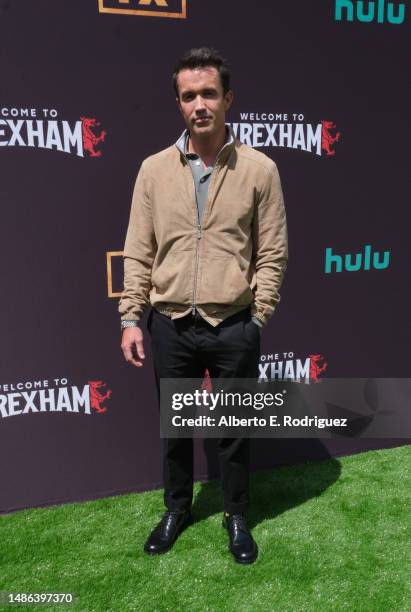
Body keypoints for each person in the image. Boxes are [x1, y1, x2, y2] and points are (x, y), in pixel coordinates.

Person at [119, 47, 288, 564]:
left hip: (234, 323)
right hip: (169, 322)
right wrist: (131, 317)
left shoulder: (260, 169)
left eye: (209, 93)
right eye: (189, 95)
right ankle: (176, 509)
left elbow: (273, 251)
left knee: (234, 431)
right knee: (176, 428)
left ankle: (237, 514)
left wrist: (257, 318)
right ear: (178, 102)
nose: (200, 104)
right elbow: (138, 248)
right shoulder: (152, 170)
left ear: (228, 99)